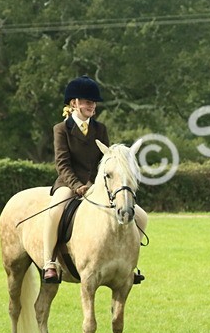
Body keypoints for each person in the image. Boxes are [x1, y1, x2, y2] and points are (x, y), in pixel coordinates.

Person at [43, 75, 146, 284]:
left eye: (94, 103)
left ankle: (129, 263)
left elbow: (105, 160)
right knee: (55, 212)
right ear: (74, 103)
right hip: (69, 183)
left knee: (142, 217)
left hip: (96, 184)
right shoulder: (61, 129)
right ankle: (49, 263)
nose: (92, 106)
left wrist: (93, 183)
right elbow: (62, 163)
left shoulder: (100, 129)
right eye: (88, 102)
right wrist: (77, 185)